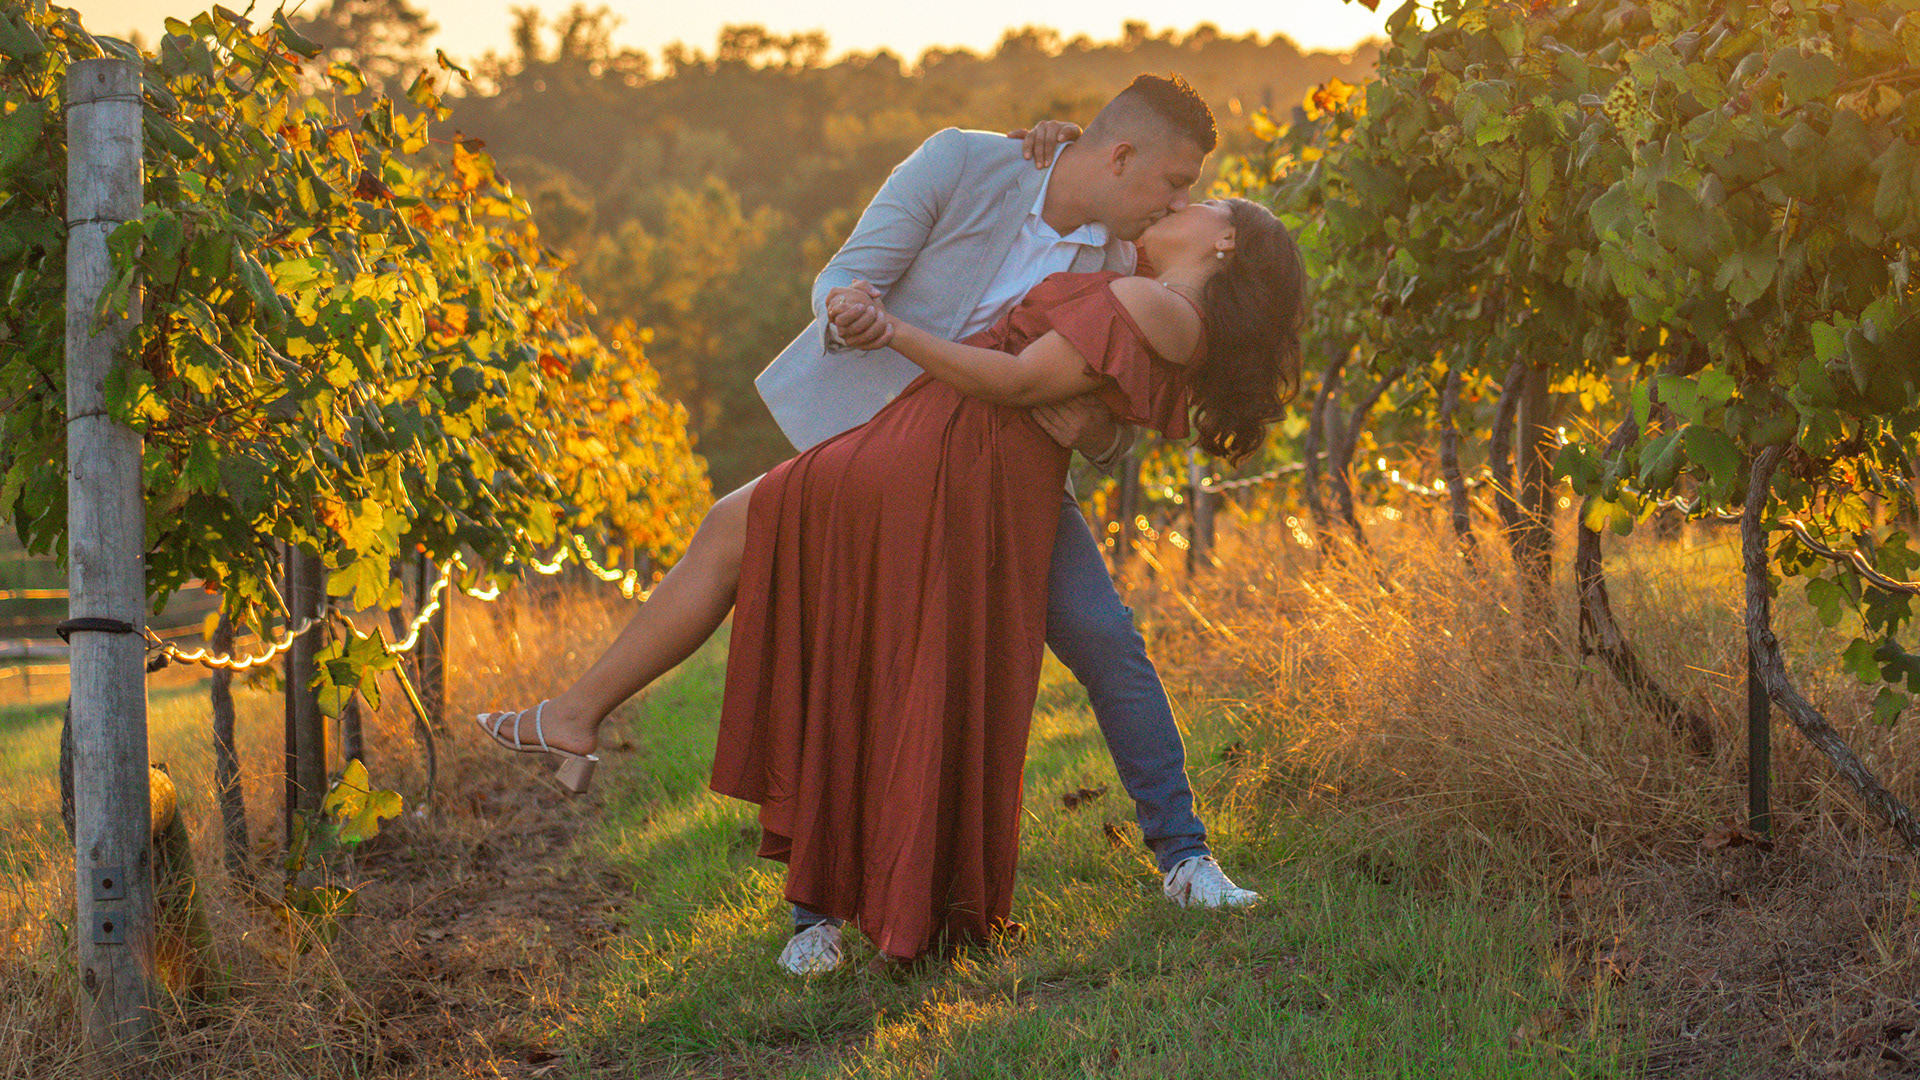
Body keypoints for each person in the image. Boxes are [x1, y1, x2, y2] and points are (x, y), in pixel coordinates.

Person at [478, 75, 1286, 972]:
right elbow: (847, 273)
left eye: (1192, 194)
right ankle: (810, 913)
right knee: (833, 640)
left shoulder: (1130, 260)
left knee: (1104, 637)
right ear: (1120, 154)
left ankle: (1185, 858)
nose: (1179, 201)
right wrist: (853, 311)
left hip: (1001, 475)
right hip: (876, 444)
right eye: (1176, 182)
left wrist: (1090, 423)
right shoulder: (964, 161)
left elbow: (1116, 411)